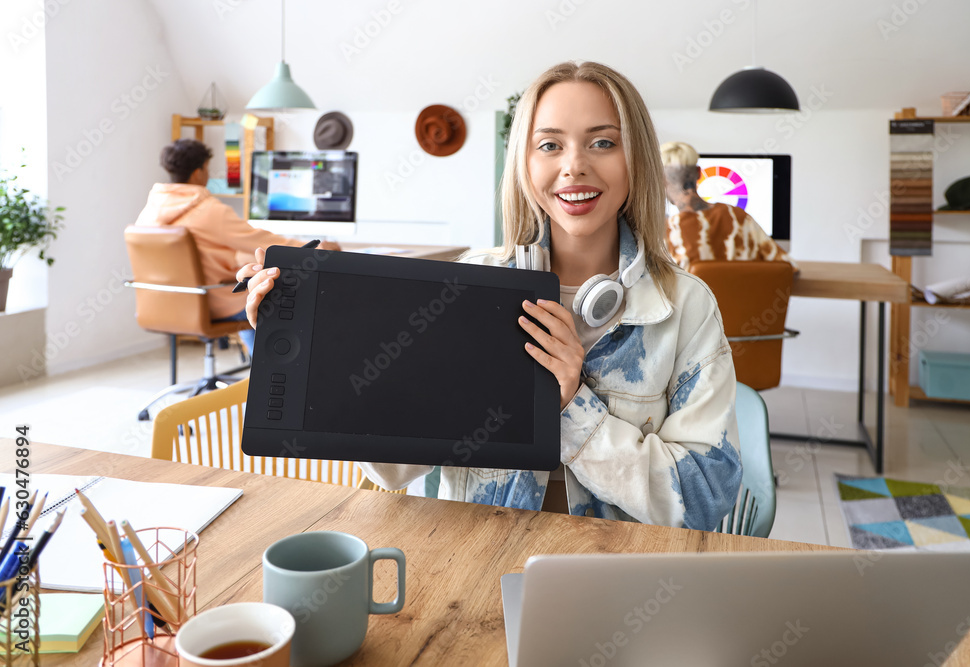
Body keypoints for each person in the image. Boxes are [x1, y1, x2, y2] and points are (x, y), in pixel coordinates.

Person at [238, 62, 742, 530]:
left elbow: (704, 499)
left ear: (636, 160)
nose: (573, 167)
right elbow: (393, 467)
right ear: (524, 163)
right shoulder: (472, 284)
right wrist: (314, 337)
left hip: (616, 577)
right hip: (475, 562)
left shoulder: (686, 306)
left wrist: (569, 405)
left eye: (603, 143)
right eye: (549, 145)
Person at [134, 138, 340, 354]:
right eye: (207, 169)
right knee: (263, 294)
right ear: (198, 172)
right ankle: (265, 363)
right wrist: (315, 248)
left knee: (248, 281)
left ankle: (255, 366)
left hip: (163, 305)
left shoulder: (149, 211)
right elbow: (261, 241)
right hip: (212, 302)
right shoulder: (209, 211)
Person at [661, 142, 795, 271]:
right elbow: (787, 266)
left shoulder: (667, 232)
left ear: (660, 179)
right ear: (699, 172)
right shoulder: (739, 217)